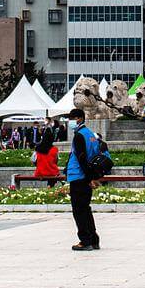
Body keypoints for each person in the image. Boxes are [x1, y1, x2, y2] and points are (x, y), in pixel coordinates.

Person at [65, 107, 102, 251]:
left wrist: (88, 178)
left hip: (79, 177)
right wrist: (94, 176)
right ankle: (93, 239)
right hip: (85, 177)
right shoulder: (91, 135)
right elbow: (94, 155)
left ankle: (85, 241)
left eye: (71, 118)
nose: (70, 122)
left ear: (79, 118)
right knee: (85, 209)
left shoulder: (79, 135)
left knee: (79, 211)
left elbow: (82, 158)